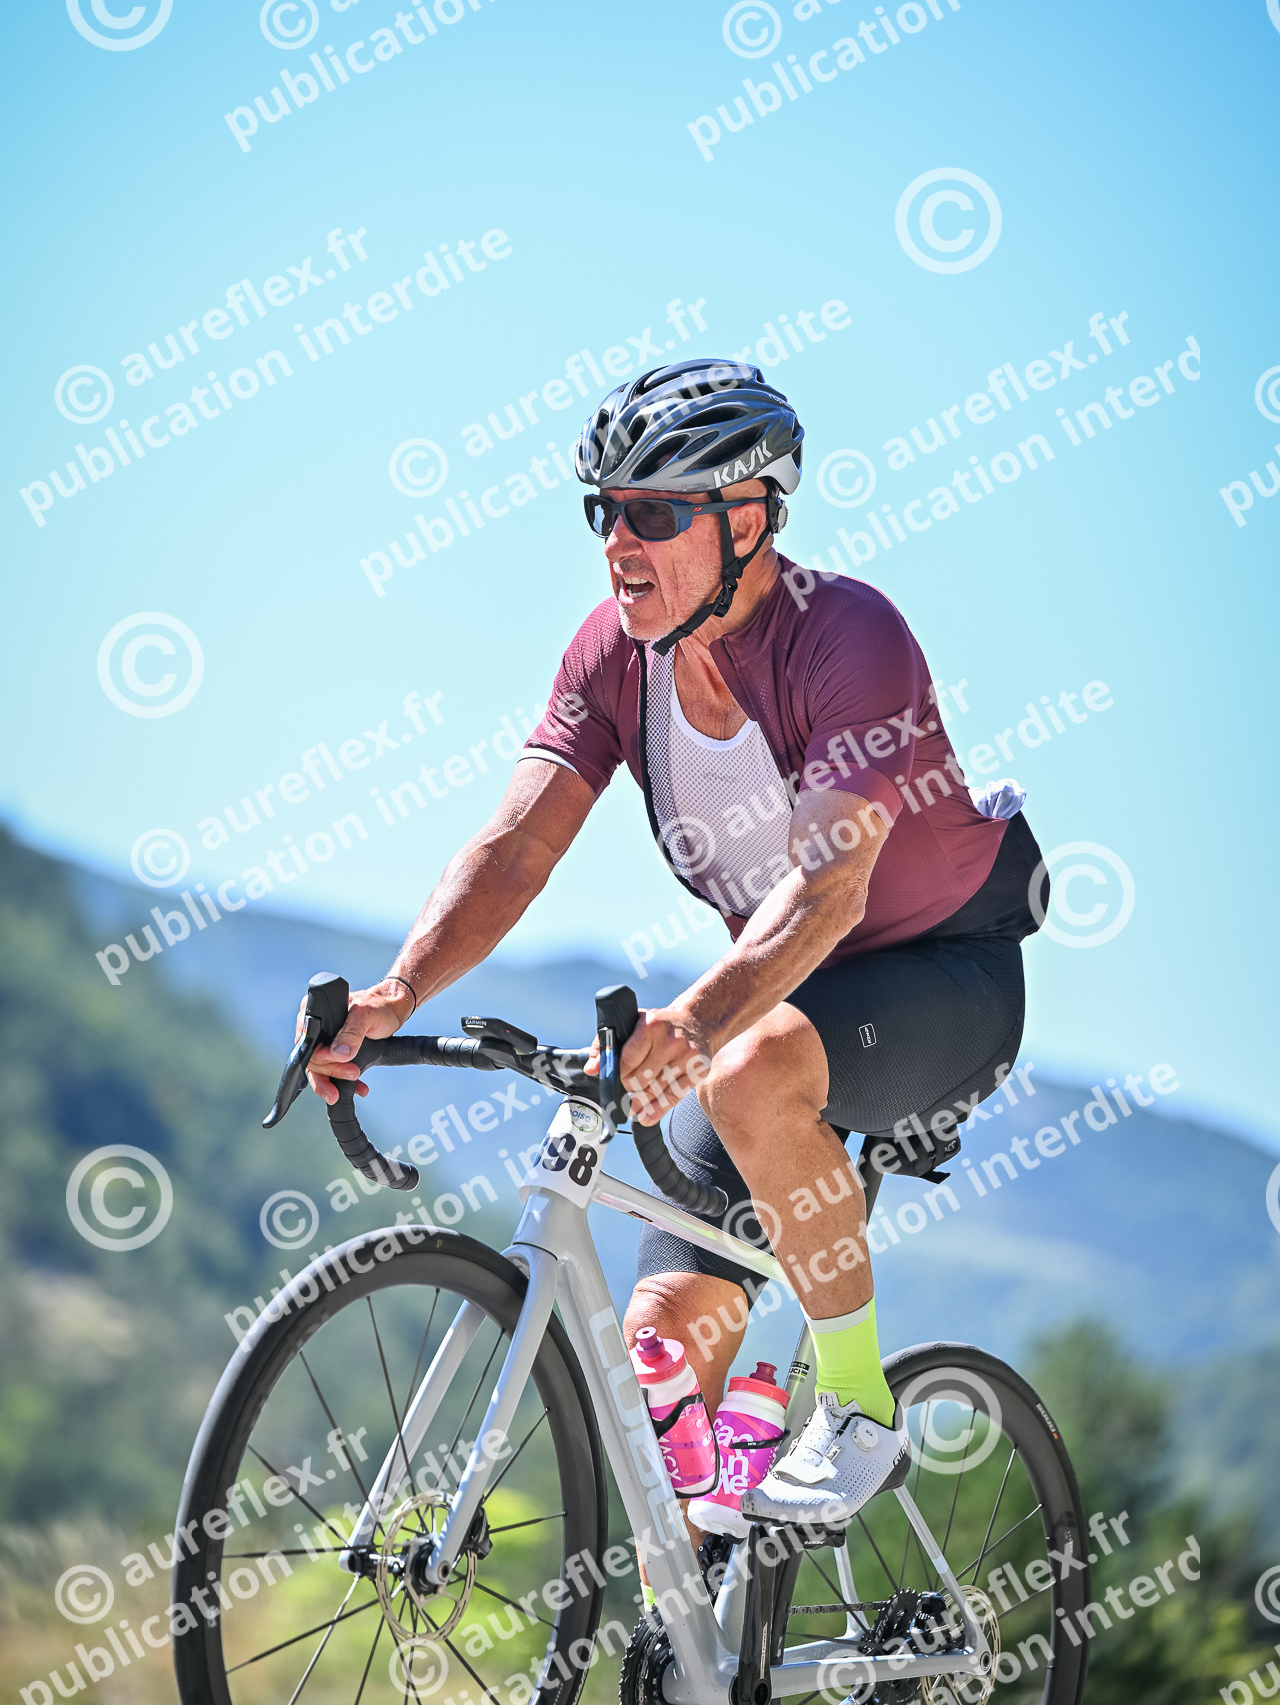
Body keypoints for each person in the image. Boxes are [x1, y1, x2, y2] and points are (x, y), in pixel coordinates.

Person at [302, 359, 1047, 1532]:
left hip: (941, 973)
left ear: (746, 519)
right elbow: (516, 846)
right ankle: (697, 1595)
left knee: (744, 1070)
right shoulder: (612, 656)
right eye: (603, 511)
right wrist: (398, 992)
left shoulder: (847, 637)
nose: (617, 543)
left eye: (653, 514)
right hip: (770, 1004)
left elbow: (828, 890)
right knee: (659, 1365)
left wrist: (692, 1028)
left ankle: (857, 1410)